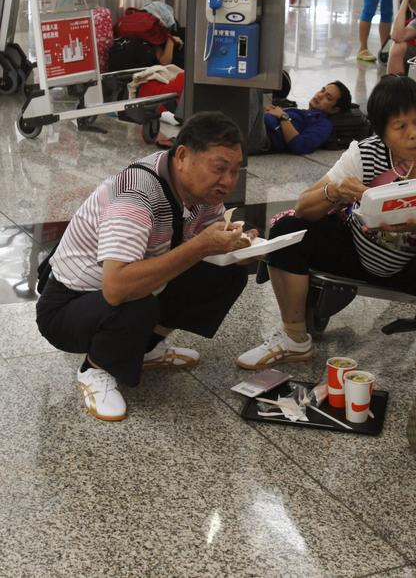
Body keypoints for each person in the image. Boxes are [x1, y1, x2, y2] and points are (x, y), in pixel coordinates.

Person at [237, 75, 416, 371]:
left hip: (415, 267)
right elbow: (303, 207)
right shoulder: (365, 153)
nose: (415, 133)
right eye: (400, 126)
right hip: (356, 252)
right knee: (288, 231)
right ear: (382, 133)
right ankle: (293, 338)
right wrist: (335, 193)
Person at [35, 112, 253, 422]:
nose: (228, 181)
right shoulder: (136, 193)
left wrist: (238, 243)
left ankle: (145, 349)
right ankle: (96, 369)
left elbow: (209, 238)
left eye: (235, 171)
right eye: (219, 169)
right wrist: (202, 245)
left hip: (128, 289)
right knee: (136, 303)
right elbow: (116, 287)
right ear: (182, 156)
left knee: (226, 273)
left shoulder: (203, 191)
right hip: (68, 306)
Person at [261, 81, 352, 155]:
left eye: (328, 97)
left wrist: (283, 117)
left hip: (262, 135)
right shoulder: (305, 113)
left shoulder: (323, 124)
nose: (320, 95)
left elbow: (301, 146)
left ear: (334, 109)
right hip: (256, 124)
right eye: (322, 90)